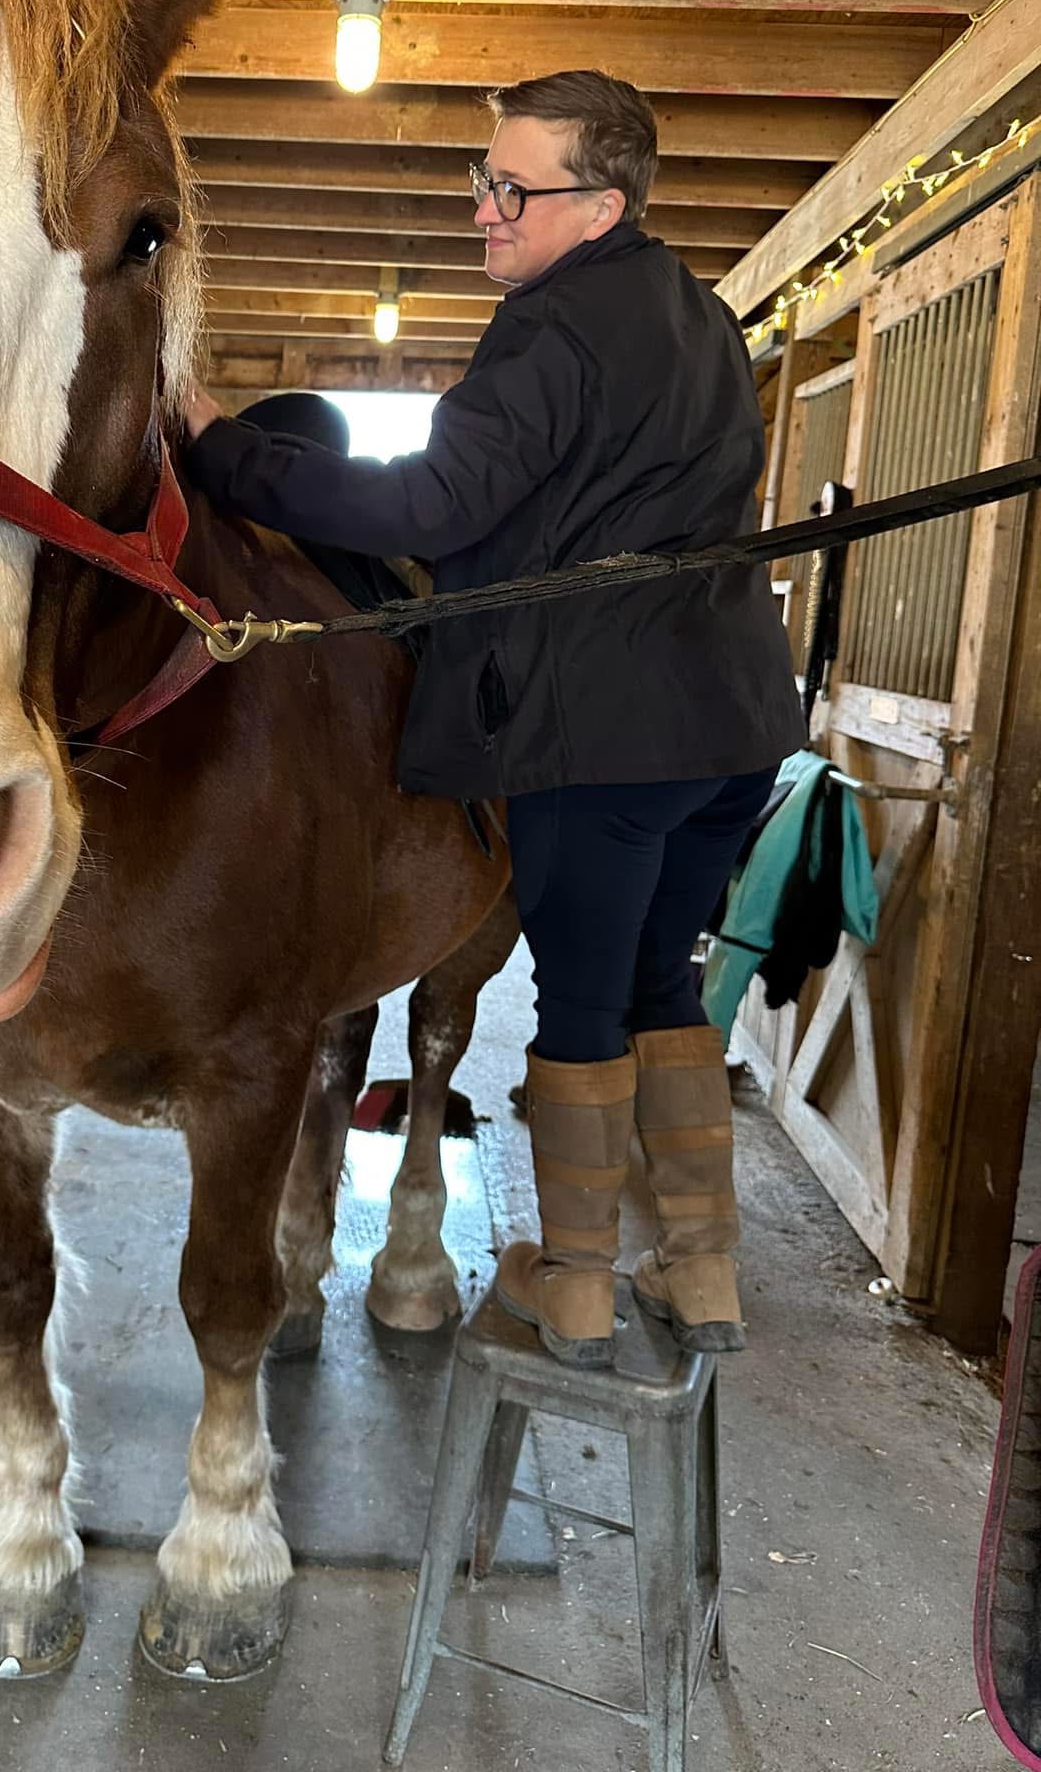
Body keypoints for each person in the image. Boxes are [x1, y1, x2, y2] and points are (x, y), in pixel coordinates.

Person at [181, 70, 804, 1369]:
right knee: (660, 980)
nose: (485, 210)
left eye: (514, 189)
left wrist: (227, 452)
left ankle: (571, 1281)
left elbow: (428, 507)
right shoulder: (702, 314)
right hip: (737, 727)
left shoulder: (550, 327)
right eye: (484, 181)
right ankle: (701, 1268)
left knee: (580, 999)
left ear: (602, 206)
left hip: (609, 735)